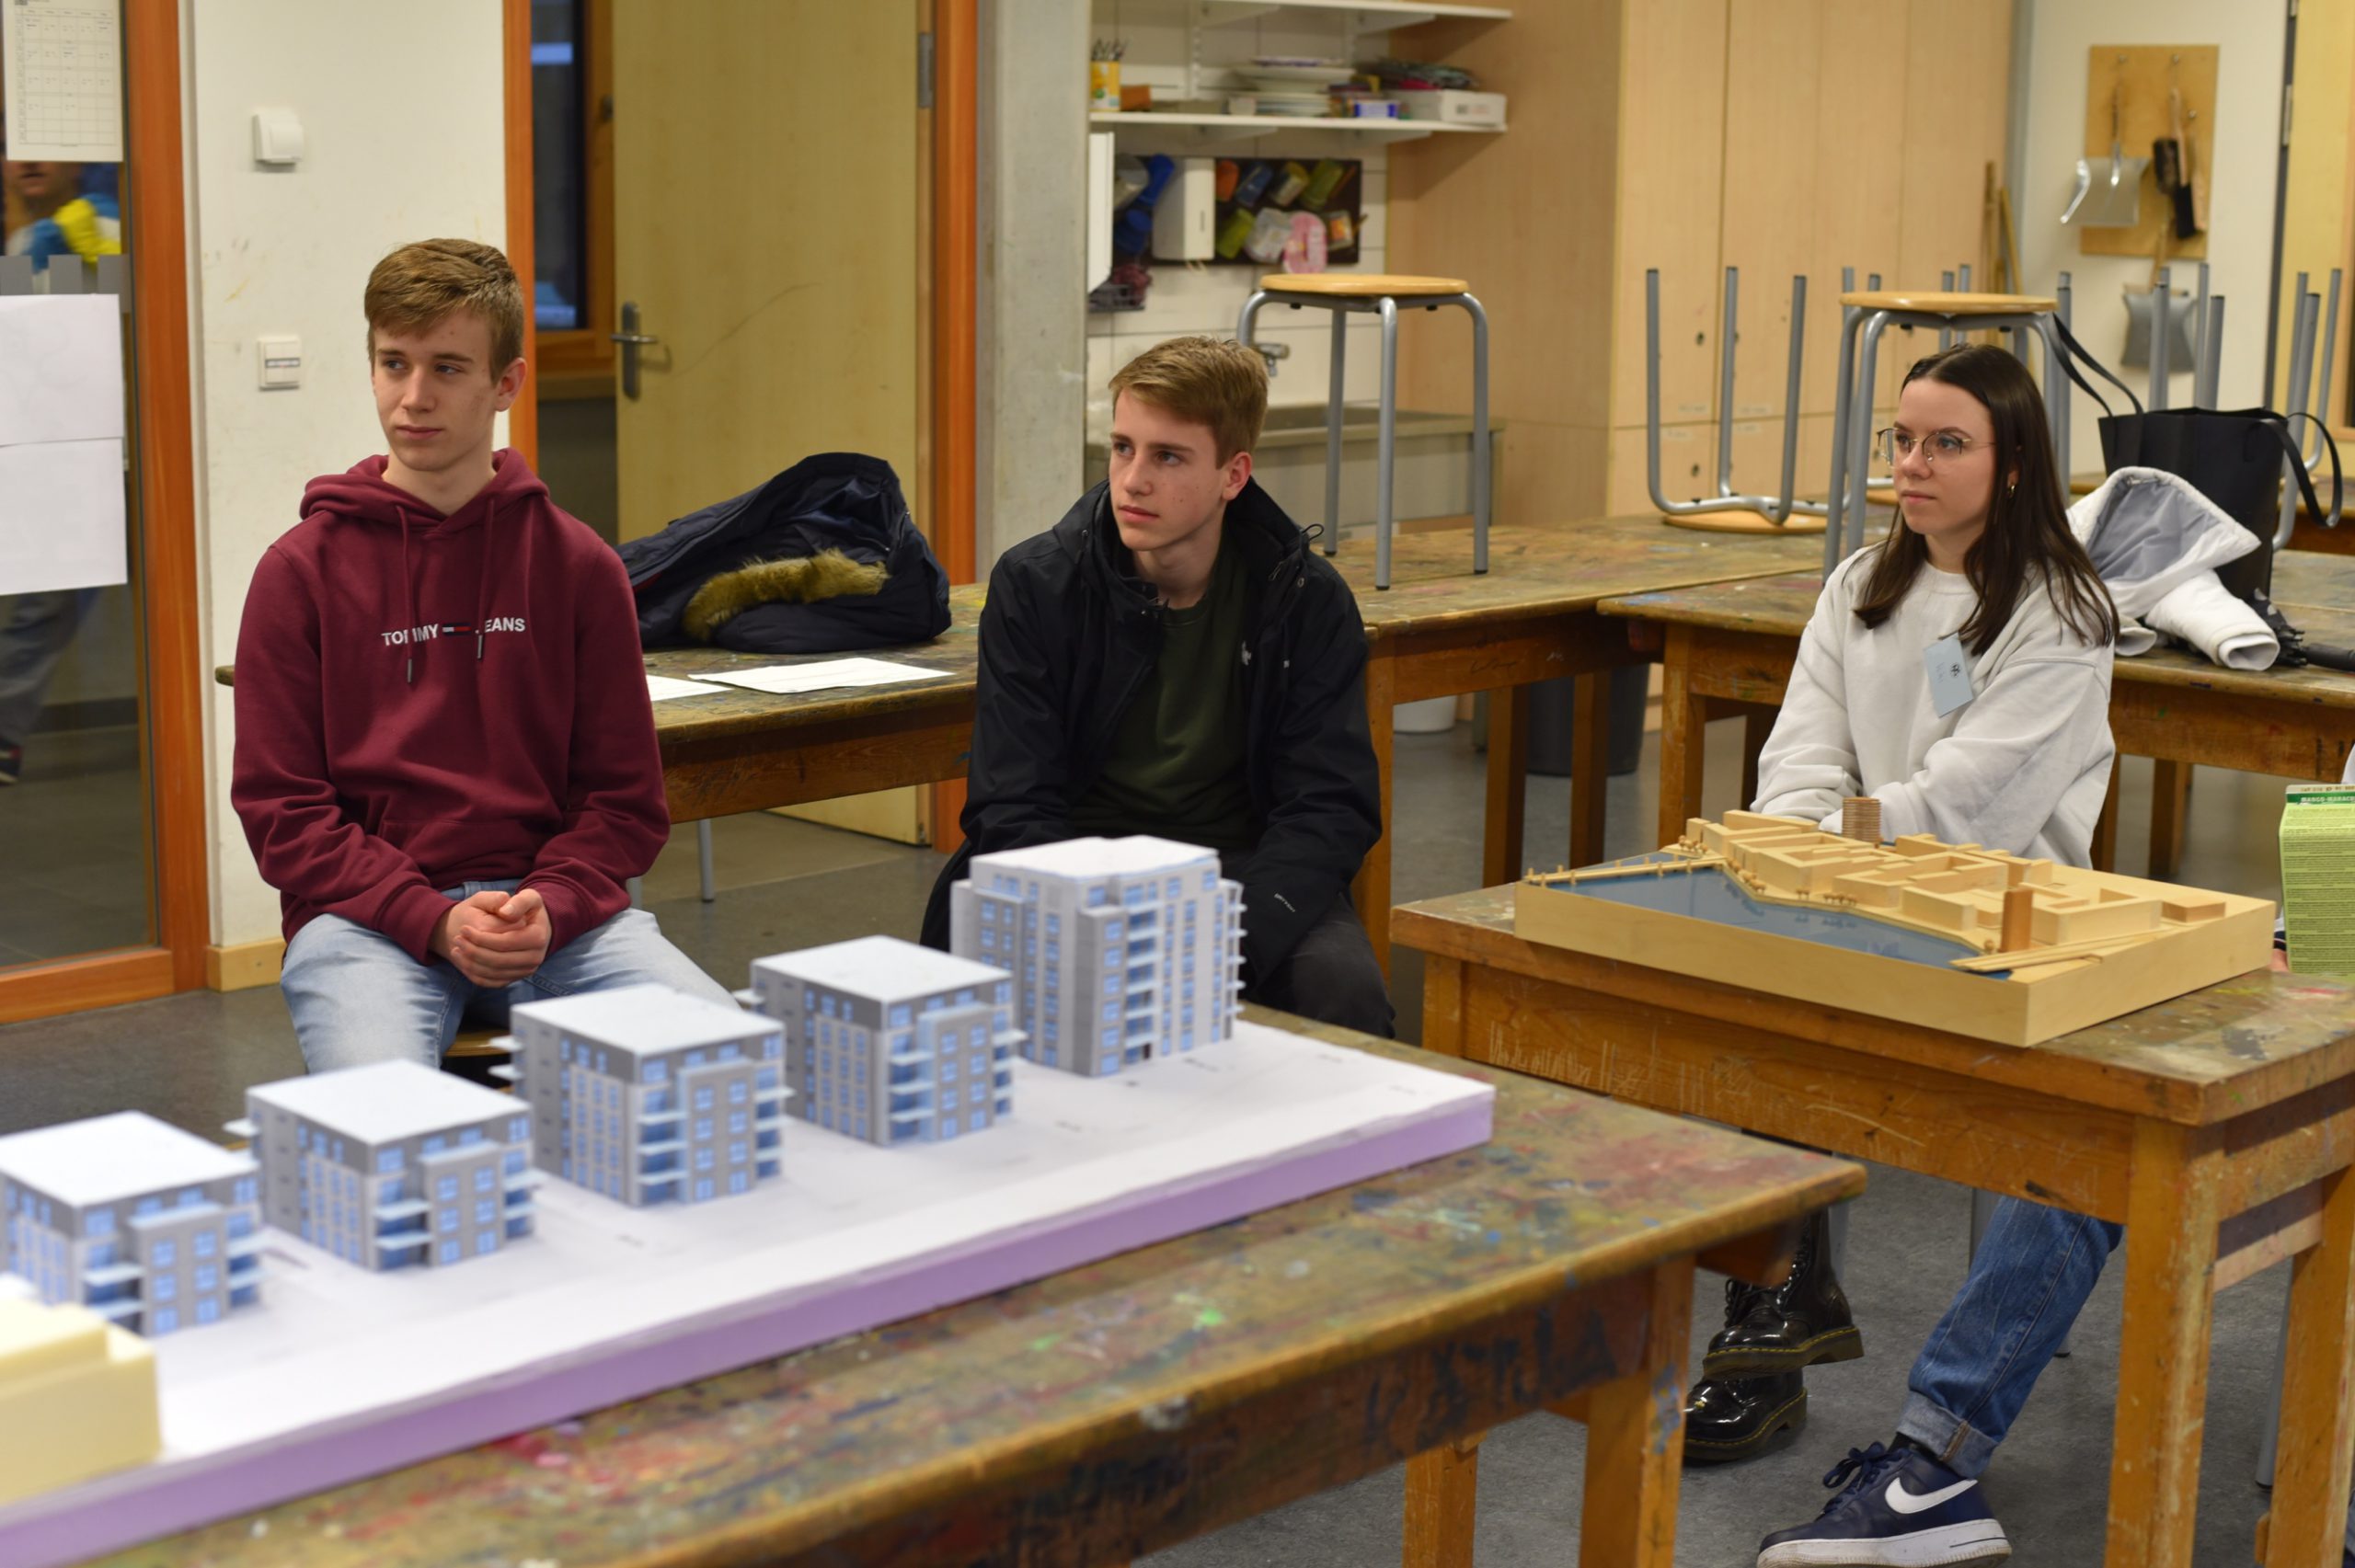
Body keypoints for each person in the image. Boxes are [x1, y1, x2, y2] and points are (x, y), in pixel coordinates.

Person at [1732, 343, 2119, 1565]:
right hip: (1857, 906)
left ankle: (1931, 1465)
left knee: (2080, 1159)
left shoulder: (2062, 616)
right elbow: (1797, 757)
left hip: (2010, 939)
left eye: (1946, 443)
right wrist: (1807, 846)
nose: (1912, 464)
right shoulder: (1859, 585)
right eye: (1901, 440)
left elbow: (1968, 813)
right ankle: (1768, 1320)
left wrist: (1825, 845)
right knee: (1709, 1013)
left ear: (2013, 467)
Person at [231, 238, 732, 1073]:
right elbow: (283, 812)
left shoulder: (578, 566)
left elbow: (624, 800)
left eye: (448, 368)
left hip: (557, 916)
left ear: (507, 383)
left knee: (726, 1062)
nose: (413, 398)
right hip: (366, 923)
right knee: (386, 1124)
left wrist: (554, 902)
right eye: (394, 364)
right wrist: (428, 916)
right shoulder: (299, 572)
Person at [918, 335, 1391, 1036]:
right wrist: (1088, 927)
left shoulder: (1303, 599)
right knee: (958, 1006)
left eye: (1168, 456)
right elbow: (1011, 801)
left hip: (1237, 873)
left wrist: (1228, 941)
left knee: (1342, 994)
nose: (1133, 480)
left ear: (1233, 475)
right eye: (1123, 447)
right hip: (1073, 861)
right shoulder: (1038, 585)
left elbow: (1328, 806)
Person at [0, 147, 121, 784]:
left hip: (123, 450)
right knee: (42, 603)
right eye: (14, 151)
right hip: (54, 451)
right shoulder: (28, 239)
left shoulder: (101, 223)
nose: (28, 161)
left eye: (45, 149)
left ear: (79, 161)